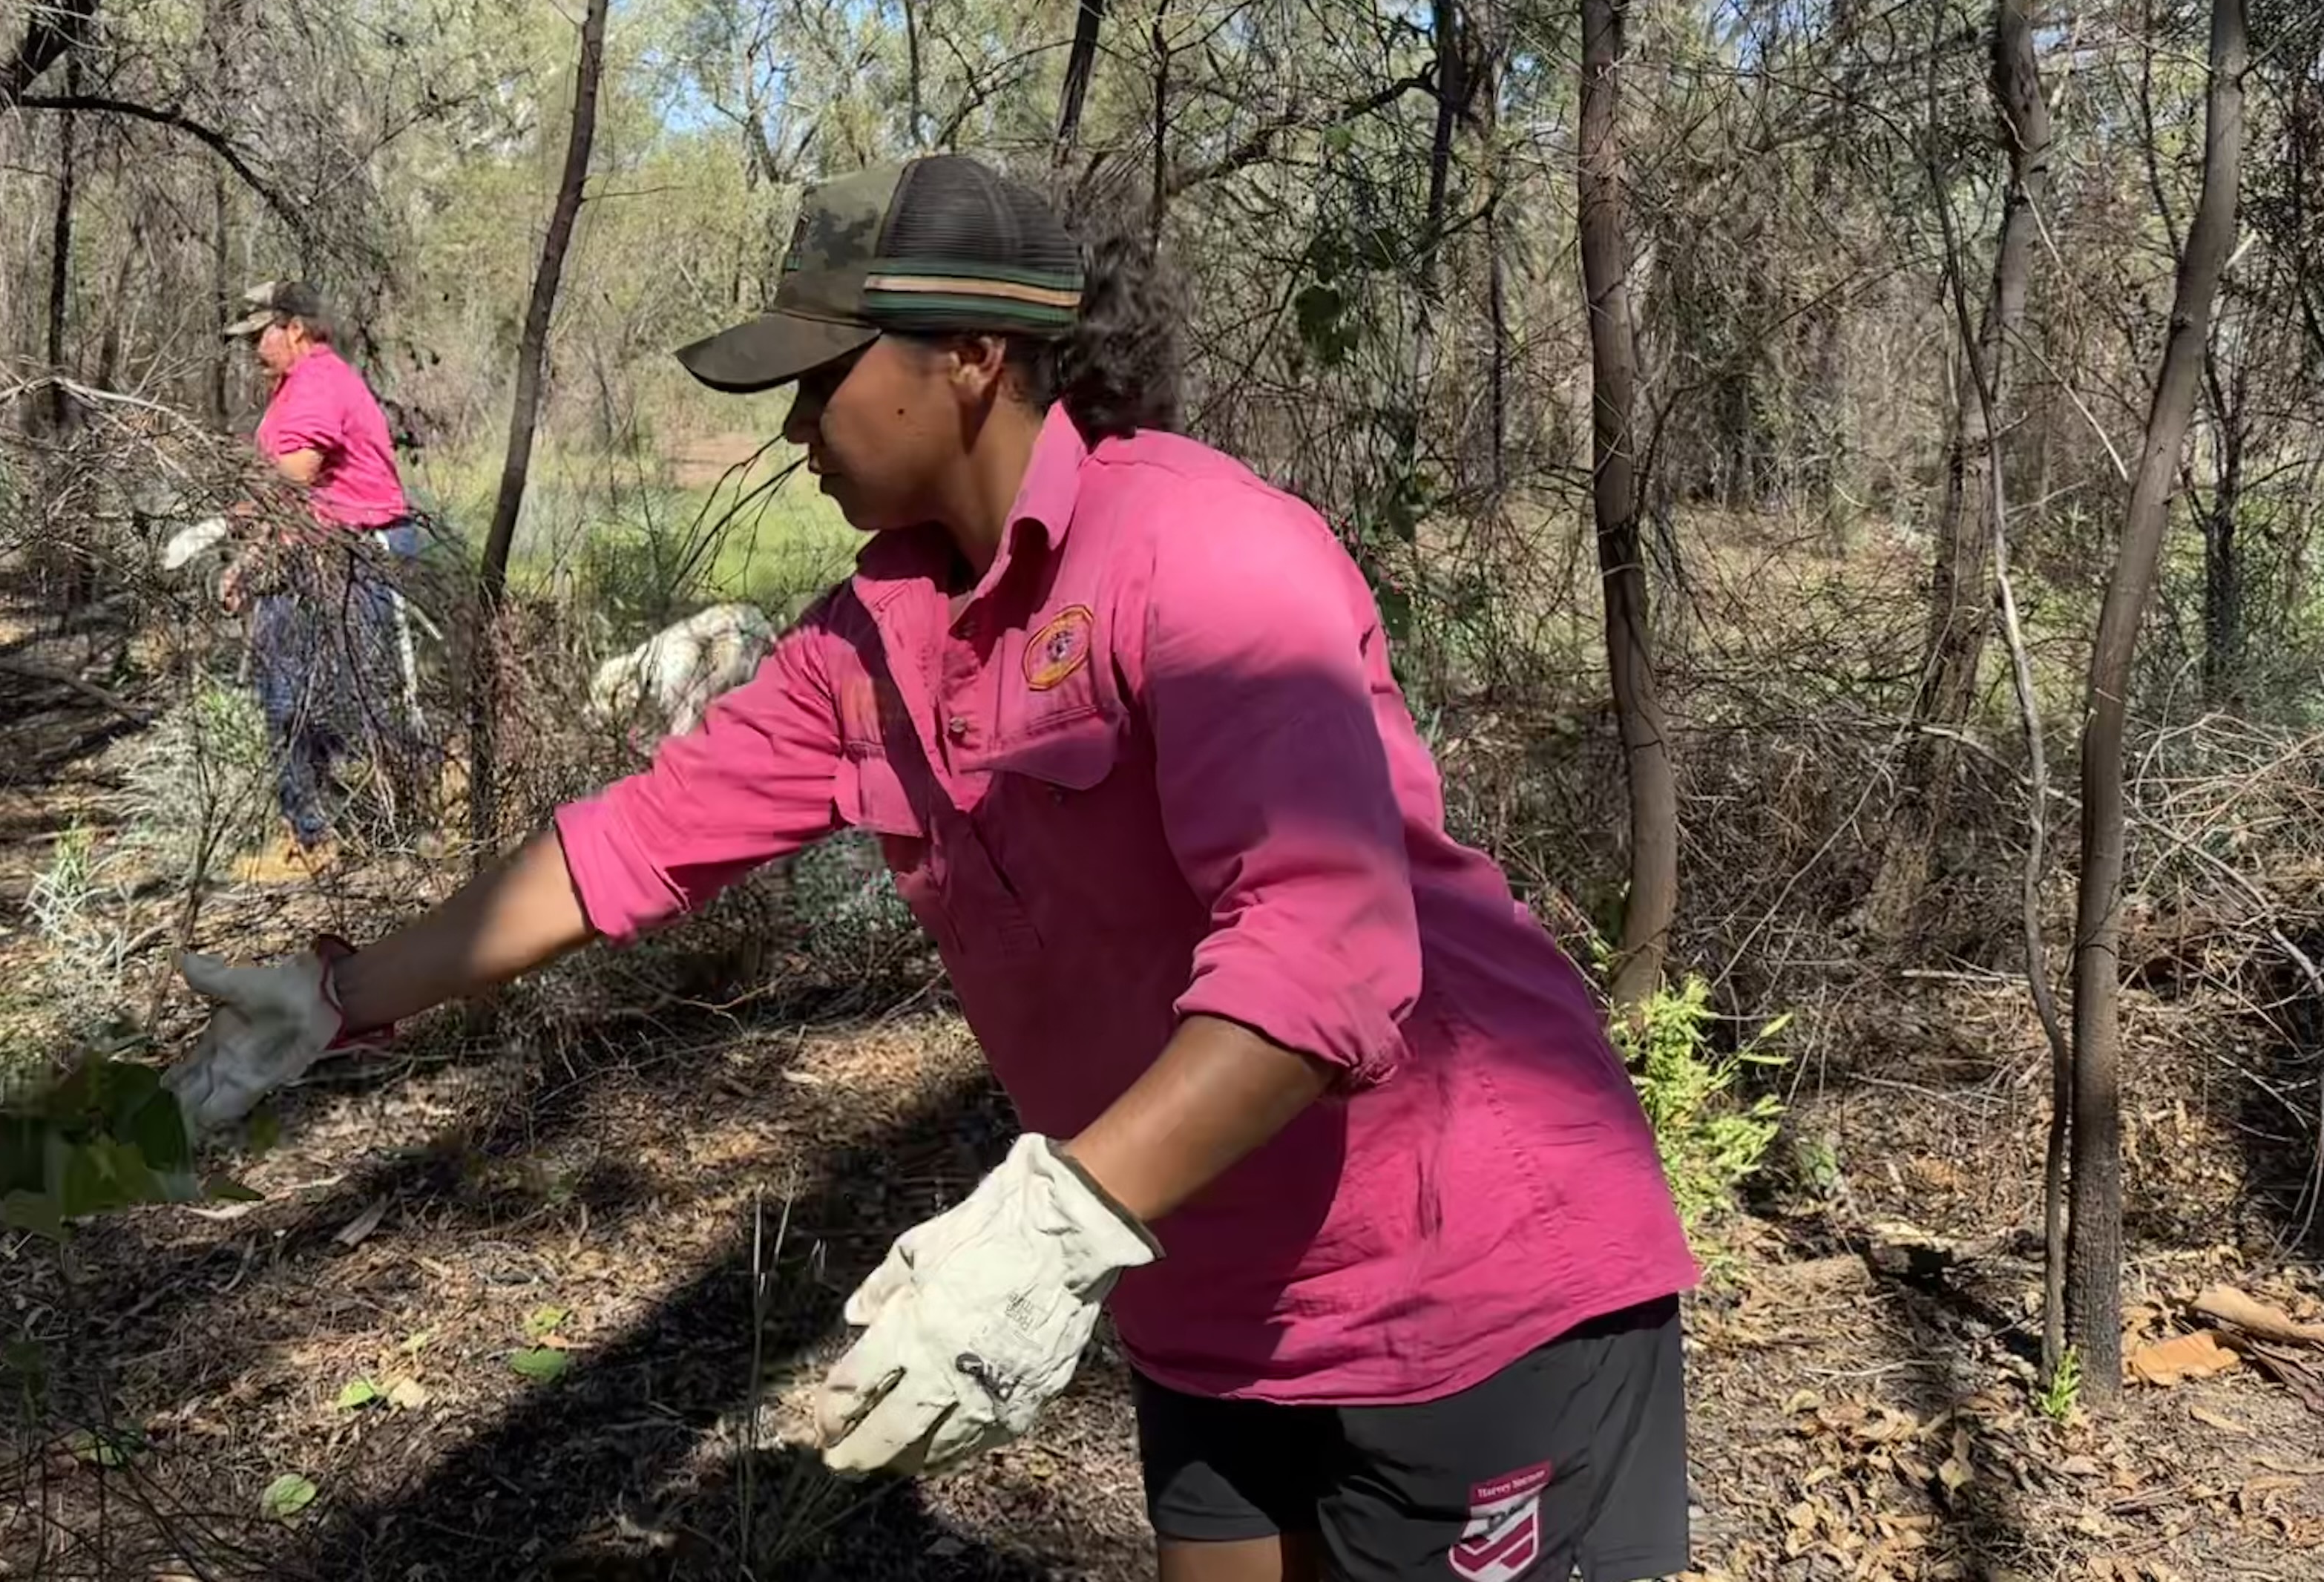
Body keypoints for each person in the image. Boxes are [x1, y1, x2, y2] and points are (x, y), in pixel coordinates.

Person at [168, 162, 1697, 1582]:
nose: (792, 429)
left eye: (824, 383)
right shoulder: (874, 639)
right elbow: (635, 840)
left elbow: (1330, 955)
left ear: (968, 359)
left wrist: (1062, 1218)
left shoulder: (1206, 560)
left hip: (1472, 1278)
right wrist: (336, 998)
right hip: (1199, 1289)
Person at [218, 278, 421, 858]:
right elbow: (293, 502)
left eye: (260, 336)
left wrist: (238, 523)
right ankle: (309, 833)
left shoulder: (319, 380)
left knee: (358, 698)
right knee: (283, 694)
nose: (252, 350)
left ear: (296, 329)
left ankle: (391, 834)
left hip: (359, 553)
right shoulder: (290, 388)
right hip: (305, 551)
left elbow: (296, 476)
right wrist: (250, 564)